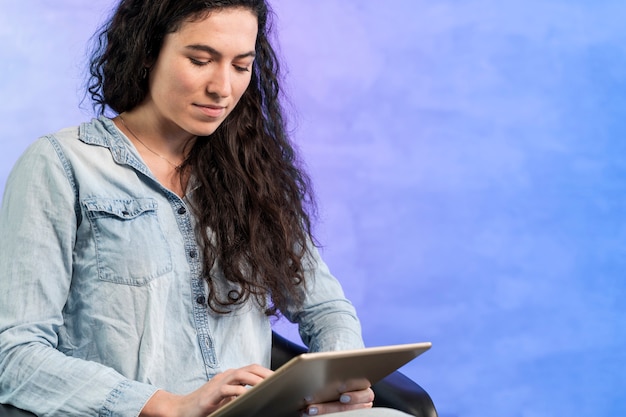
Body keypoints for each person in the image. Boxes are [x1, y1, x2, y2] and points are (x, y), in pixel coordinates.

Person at [0, 1, 410, 416]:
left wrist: (339, 383)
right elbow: (14, 355)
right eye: (201, 60)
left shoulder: (251, 171)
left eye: (240, 65)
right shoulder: (61, 166)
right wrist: (169, 406)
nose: (222, 88)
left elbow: (324, 307)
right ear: (146, 53)